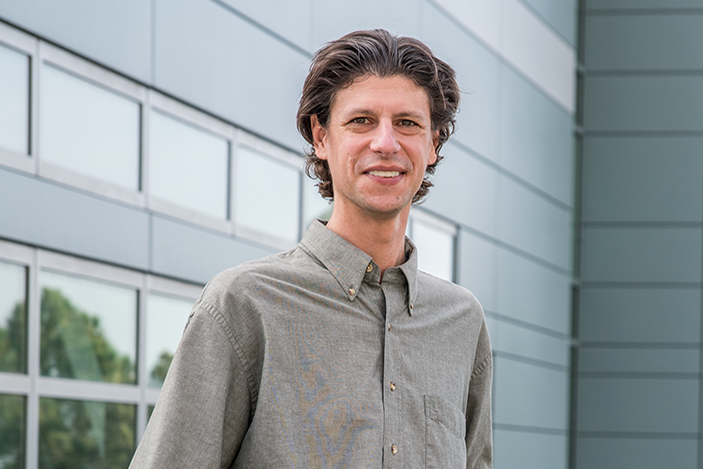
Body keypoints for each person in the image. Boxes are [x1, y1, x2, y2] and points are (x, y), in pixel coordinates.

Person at [129, 29, 492, 468]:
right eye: (361, 121)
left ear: (433, 143)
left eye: (407, 123)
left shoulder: (461, 322)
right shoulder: (244, 304)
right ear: (321, 137)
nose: (385, 143)